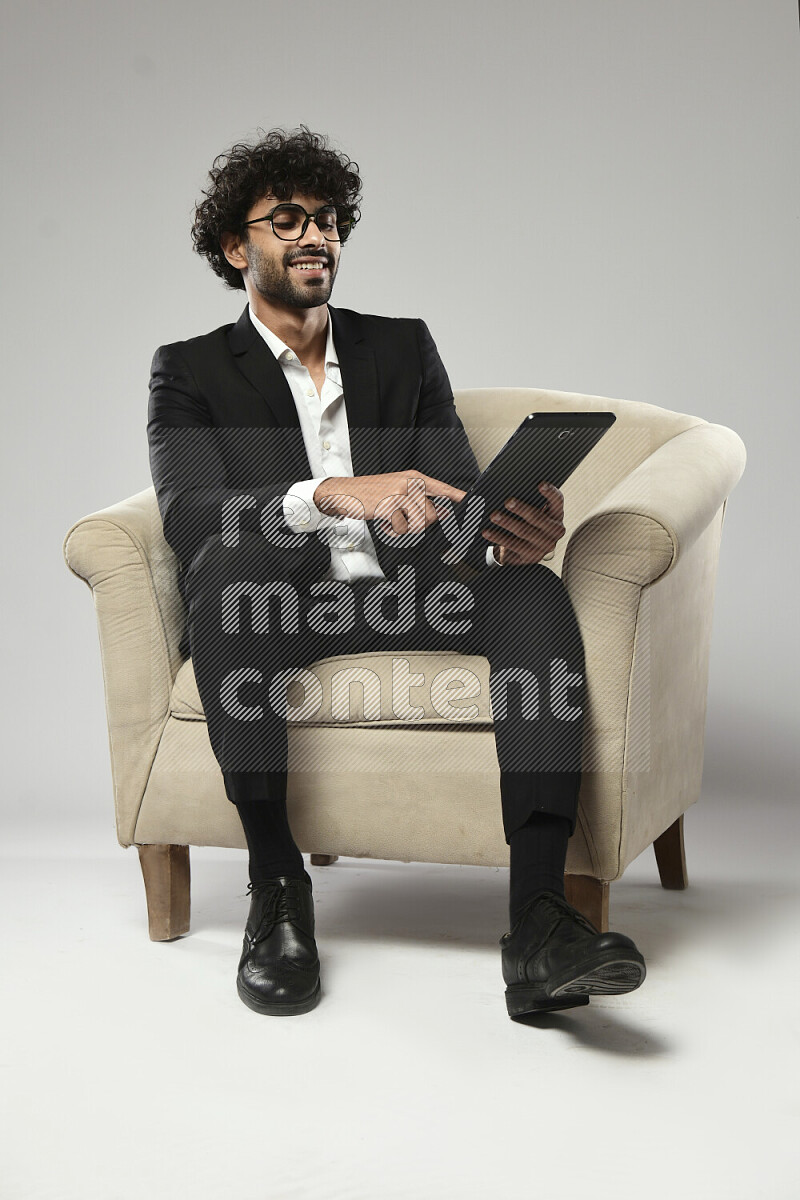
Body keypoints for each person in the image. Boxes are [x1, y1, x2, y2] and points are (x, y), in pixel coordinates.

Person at [147, 126, 646, 1020]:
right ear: (236, 245)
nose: (317, 236)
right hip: (277, 604)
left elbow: (450, 497)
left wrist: (504, 538)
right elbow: (192, 517)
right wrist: (331, 492)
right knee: (224, 592)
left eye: (330, 220)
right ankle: (277, 889)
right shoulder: (188, 371)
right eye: (287, 220)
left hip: (414, 593)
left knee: (532, 591)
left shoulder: (401, 347)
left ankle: (538, 922)